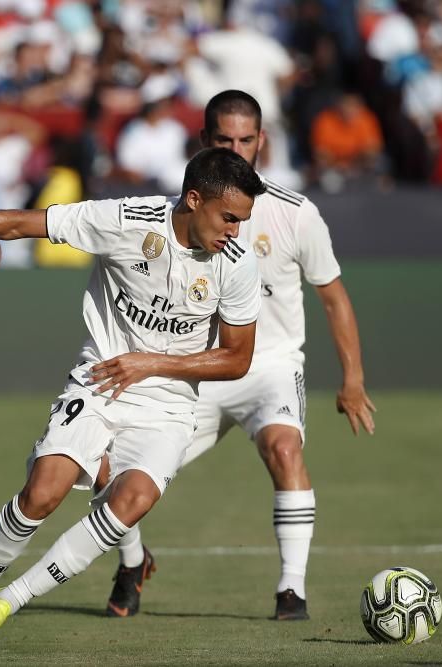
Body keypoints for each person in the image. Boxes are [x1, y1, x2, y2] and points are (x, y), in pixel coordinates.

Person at [0, 147, 267, 651]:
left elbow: (236, 358)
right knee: (43, 491)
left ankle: (6, 603)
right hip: (101, 379)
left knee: (134, 500)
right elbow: (24, 224)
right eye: (229, 218)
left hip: (169, 404)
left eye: (242, 221)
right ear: (194, 199)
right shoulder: (127, 220)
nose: (236, 231)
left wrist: (149, 362)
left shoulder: (236, 263)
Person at [99, 90, 376, 623]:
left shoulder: (296, 213)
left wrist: (354, 379)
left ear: (261, 141)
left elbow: (334, 297)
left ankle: (291, 591)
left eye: (246, 139)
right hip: (195, 369)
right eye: (224, 139)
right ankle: (133, 561)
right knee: (110, 469)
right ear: (205, 142)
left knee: (284, 448)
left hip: (269, 366)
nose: (237, 148)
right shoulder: (175, 213)